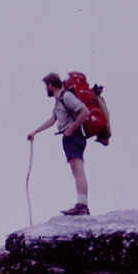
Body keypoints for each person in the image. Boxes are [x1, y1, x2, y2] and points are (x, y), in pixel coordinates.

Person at [27, 72, 93, 216]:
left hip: (74, 136)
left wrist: (71, 129)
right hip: (69, 137)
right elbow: (52, 120)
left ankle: (82, 205)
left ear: (50, 85)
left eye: (46, 86)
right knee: (76, 170)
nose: (46, 89)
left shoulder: (66, 97)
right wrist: (35, 132)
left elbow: (85, 112)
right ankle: (81, 204)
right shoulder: (59, 101)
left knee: (78, 169)